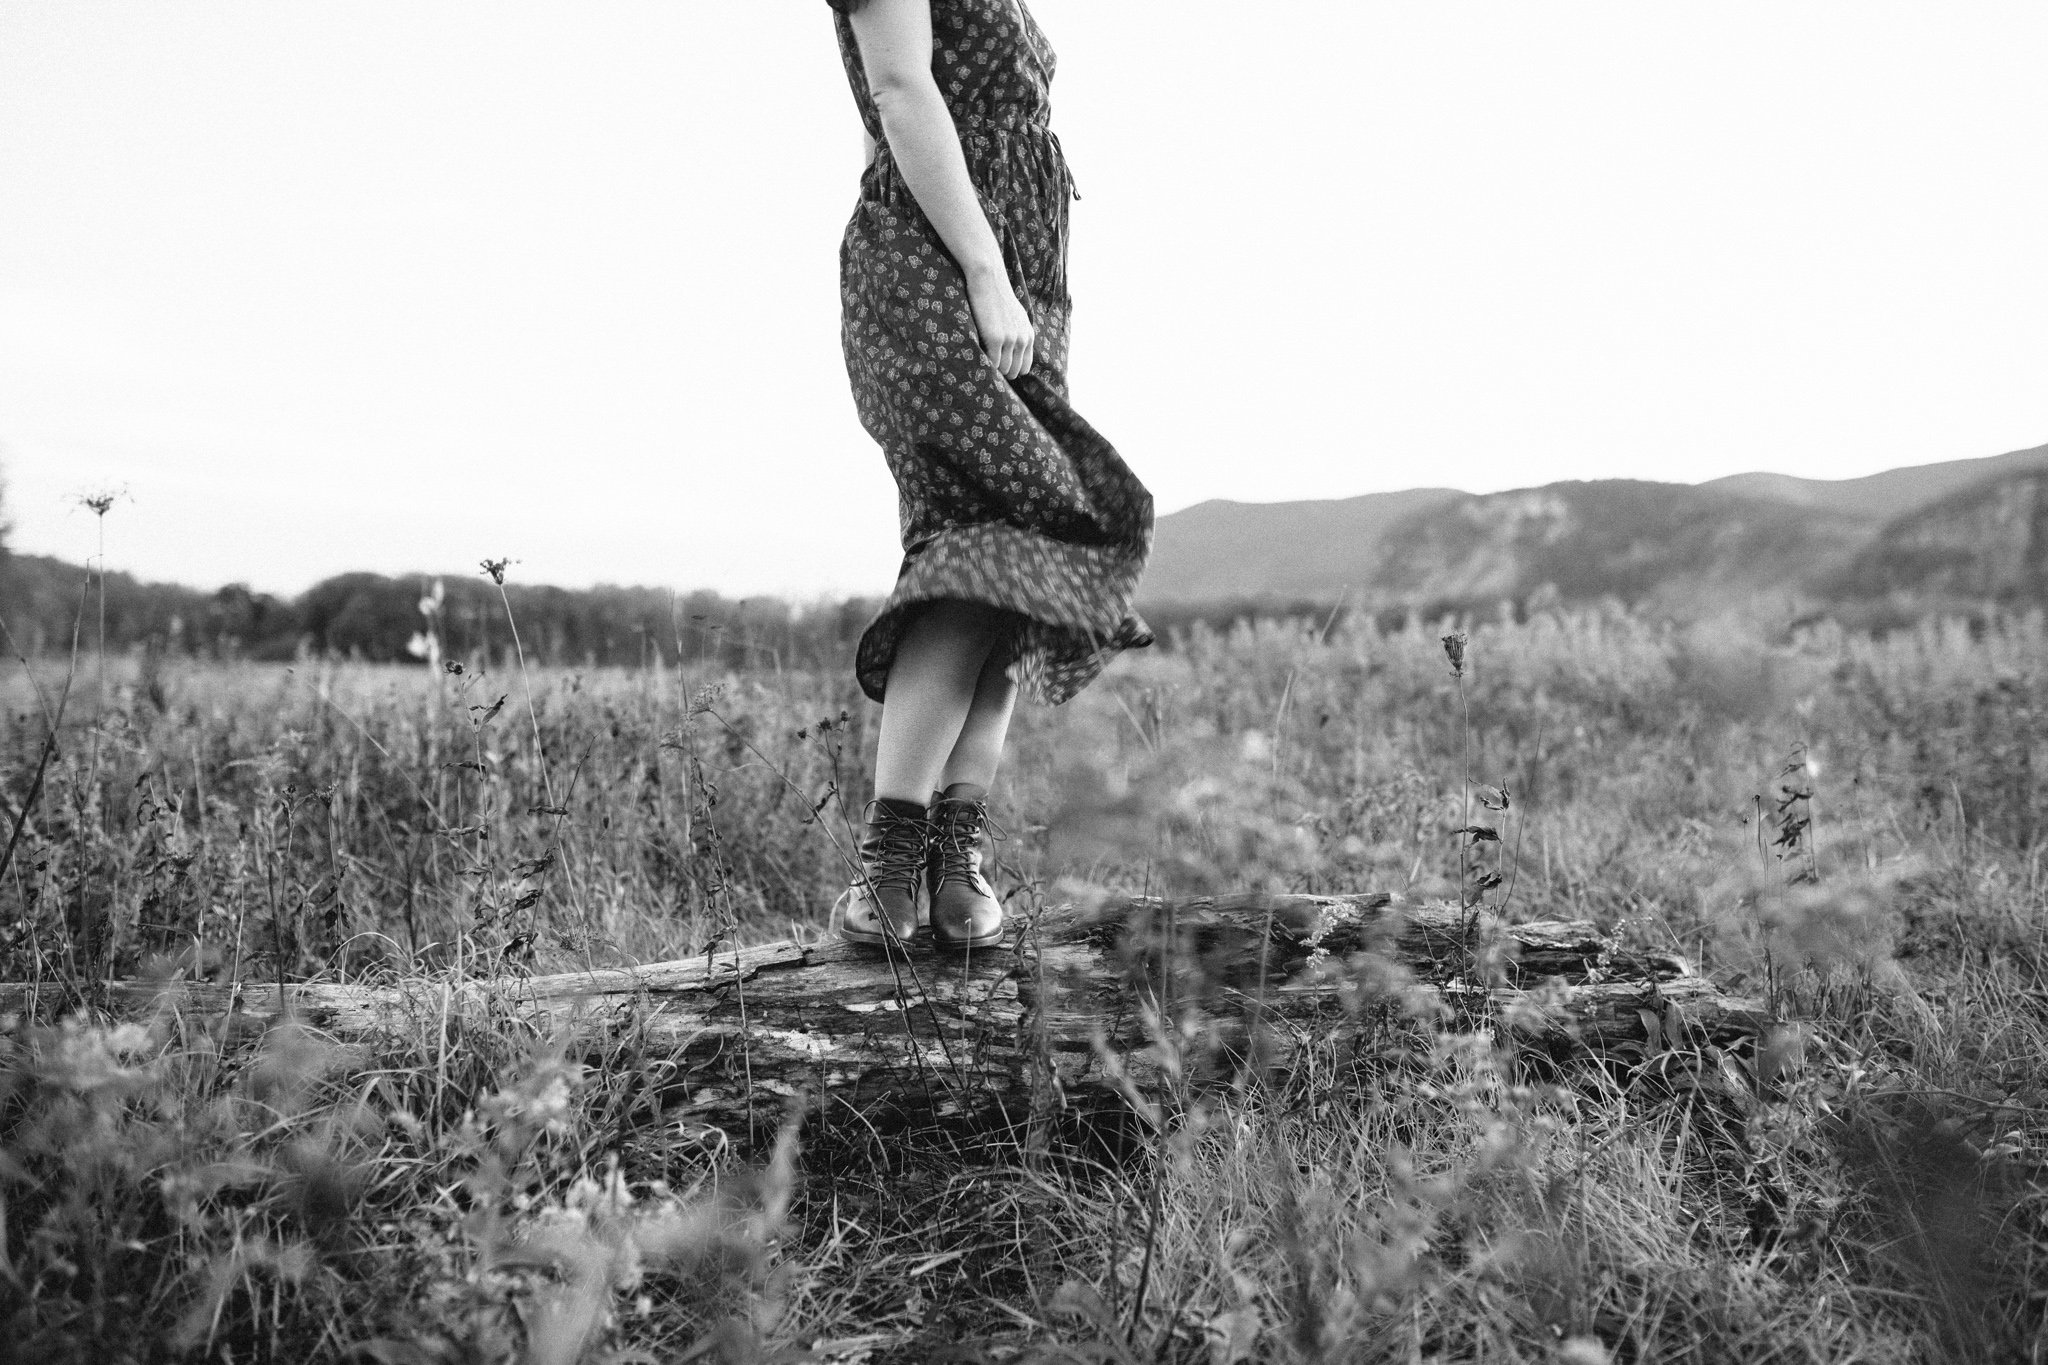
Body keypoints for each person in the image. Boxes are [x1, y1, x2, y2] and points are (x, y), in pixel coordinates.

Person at [824, 0, 1152, 952]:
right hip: (951, 267)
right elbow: (897, 89)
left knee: (1022, 557)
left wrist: (1008, 270)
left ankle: (950, 849)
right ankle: (892, 858)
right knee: (975, 546)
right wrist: (980, 268)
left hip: (1015, 270)